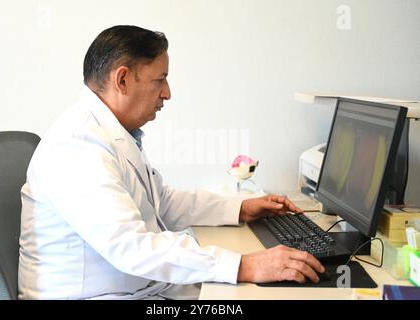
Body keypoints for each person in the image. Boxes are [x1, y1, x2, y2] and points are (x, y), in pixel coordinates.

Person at [18, 25, 325, 300]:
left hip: (133, 289)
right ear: (122, 79)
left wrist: (240, 208)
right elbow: (131, 247)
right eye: (160, 80)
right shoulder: (78, 145)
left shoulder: (112, 133)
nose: (167, 93)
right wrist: (242, 265)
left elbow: (161, 202)